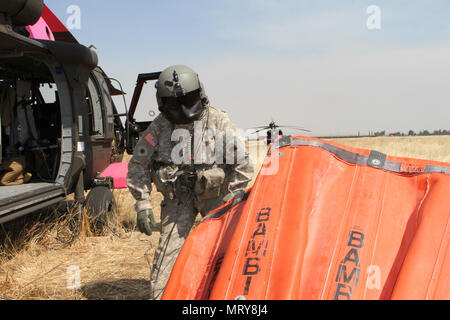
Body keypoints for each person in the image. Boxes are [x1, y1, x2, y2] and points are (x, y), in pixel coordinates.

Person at [126, 65, 254, 300]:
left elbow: (242, 164)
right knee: (167, 259)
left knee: (226, 255)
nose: (183, 107)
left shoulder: (218, 121)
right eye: (175, 103)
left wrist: (235, 202)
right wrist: (142, 203)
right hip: (178, 200)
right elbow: (138, 164)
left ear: (199, 93)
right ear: (163, 102)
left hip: (217, 198)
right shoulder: (159, 127)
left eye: (189, 99)